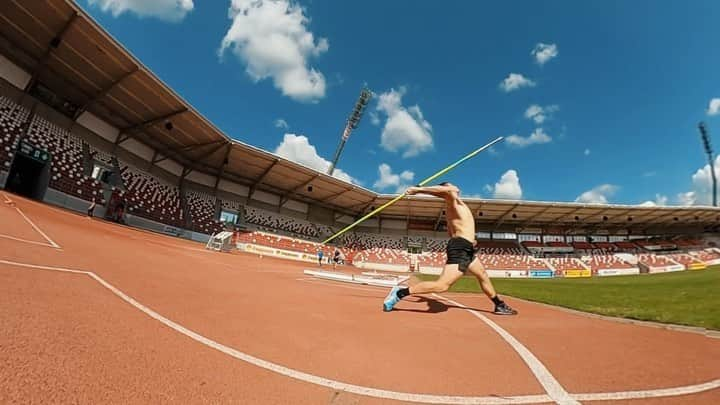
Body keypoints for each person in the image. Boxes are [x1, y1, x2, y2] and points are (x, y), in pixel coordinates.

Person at [382, 183, 517, 315]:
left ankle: (499, 305)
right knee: (442, 285)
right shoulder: (453, 202)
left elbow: (452, 233)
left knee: (482, 274)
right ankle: (400, 293)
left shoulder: (453, 208)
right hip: (461, 248)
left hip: (466, 246)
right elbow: (449, 191)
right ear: (445, 189)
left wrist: (469, 240)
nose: (456, 188)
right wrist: (419, 190)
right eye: (451, 186)